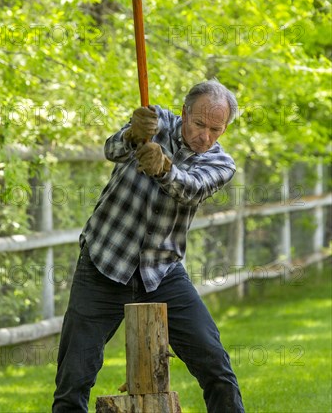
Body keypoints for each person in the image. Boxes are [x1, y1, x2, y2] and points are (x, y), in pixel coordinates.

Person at [52, 79, 245, 413]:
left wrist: (164, 167)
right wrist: (131, 134)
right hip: (104, 262)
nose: (205, 136)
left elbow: (191, 189)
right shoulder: (154, 121)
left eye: (217, 129)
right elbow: (111, 150)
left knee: (215, 364)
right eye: (199, 124)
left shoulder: (221, 163)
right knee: (74, 376)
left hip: (161, 271)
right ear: (184, 113)